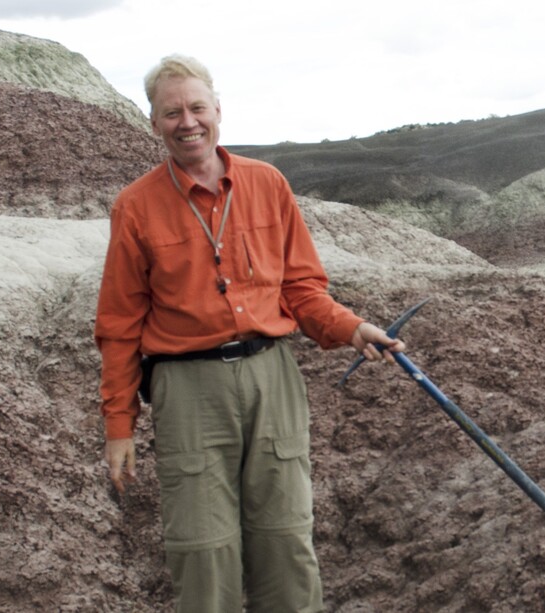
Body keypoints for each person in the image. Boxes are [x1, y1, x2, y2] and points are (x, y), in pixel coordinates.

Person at [94, 54, 405, 613]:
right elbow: (119, 326)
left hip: (271, 376)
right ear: (154, 123)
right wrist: (120, 426)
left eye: (197, 108)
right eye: (172, 113)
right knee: (203, 550)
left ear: (218, 110)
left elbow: (302, 289)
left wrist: (353, 328)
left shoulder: (267, 183)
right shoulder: (135, 207)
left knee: (285, 540)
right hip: (187, 388)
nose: (187, 122)